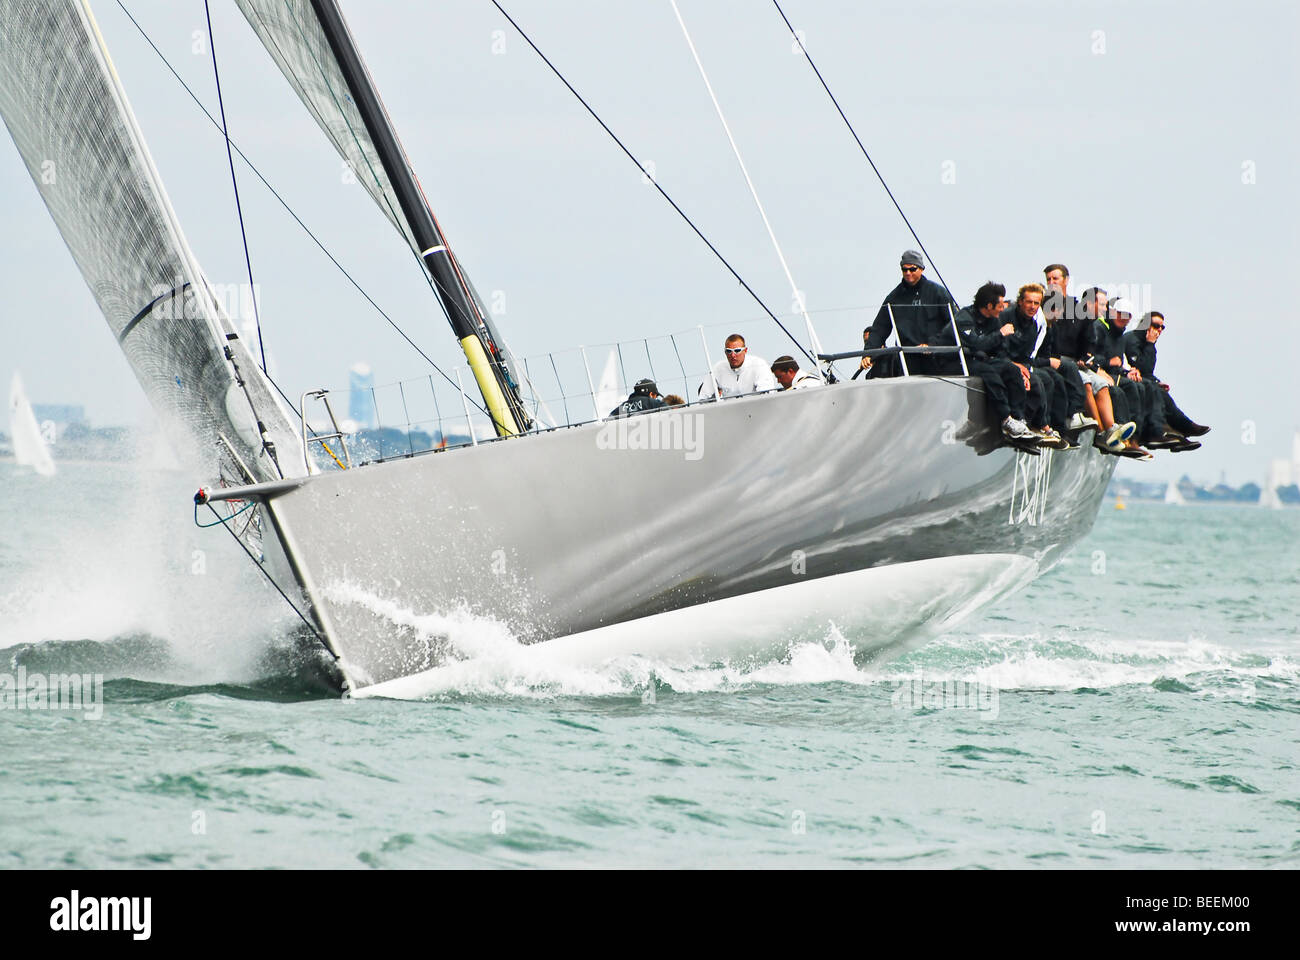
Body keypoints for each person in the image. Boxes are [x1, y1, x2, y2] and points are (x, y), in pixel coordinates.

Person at [953, 281, 1038, 442]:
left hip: (980, 358)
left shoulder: (993, 319)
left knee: (1011, 370)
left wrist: (1015, 366)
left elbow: (999, 349)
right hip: (958, 360)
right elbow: (976, 343)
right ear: (989, 306)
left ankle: (1018, 420)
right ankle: (1006, 419)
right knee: (990, 374)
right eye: (999, 305)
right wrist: (1000, 333)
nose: (1002, 308)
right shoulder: (964, 317)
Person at [861, 249, 958, 377]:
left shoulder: (938, 293)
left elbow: (954, 325)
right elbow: (879, 328)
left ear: (921, 269)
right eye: (904, 270)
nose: (908, 273)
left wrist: (933, 344)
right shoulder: (893, 297)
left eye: (912, 269)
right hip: (908, 361)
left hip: (936, 358)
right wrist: (868, 353)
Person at [1123, 312, 1209, 450]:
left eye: (1162, 327)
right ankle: (1180, 428)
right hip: (1129, 382)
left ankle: (1179, 434)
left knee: (1159, 391)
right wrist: (1150, 345)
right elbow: (1139, 367)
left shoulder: (1148, 345)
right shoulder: (1133, 340)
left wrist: (1156, 381)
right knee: (1155, 391)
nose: (1159, 330)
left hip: (1143, 382)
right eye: (1156, 326)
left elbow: (1147, 373)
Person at [1000, 283, 1071, 448]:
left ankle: (1037, 425)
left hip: (1021, 365)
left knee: (1042, 381)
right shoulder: (1005, 317)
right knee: (1036, 380)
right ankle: (1020, 424)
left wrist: (1024, 368)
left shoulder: (1033, 325)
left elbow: (1027, 355)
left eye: (1036, 303)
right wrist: (1016, 366)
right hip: (1002, 362)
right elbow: (998, 349)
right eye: (1029, 302)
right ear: (1020, 302)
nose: (1032, 307)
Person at [1093, 297, 1156, 458]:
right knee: (1125, 389)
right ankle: (1121, 432)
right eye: (1120, 314)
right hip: (1099, 372)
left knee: (1141, 386)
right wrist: (1108, 362)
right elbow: (1090, 356)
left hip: (1114, 373)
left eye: (1127, 316)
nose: (1123, 319)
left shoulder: (1120, 335)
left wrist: (1128, 371)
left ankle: (1135, 438)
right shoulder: (1100, 327)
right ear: (1113, 313)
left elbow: (1119, 363)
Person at [702, 334, 777, 397]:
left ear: (745, 350)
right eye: (729, 351)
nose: (733, 355)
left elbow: (767, 396)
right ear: (725, 352)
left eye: (737, 351)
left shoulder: (759, 365)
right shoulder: (718, 368)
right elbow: (704, 397)